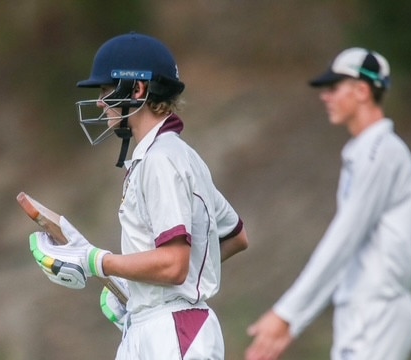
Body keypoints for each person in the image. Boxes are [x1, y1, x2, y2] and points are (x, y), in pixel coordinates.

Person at [28, 32, 249, 359]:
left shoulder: (161, 159)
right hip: (160, 325)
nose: (101, 102)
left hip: (174, 331)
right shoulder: (174, 155)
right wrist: (141, 288)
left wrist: (97, 262)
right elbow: (234, 236)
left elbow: (175, 265)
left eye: (105, 90)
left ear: (138, 89)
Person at [245, 48, 411, 360]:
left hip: (378, 314)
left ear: (362, 90)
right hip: (363, 314)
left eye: (334, 88)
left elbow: (345, 237)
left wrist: (287, 315)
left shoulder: (380, 152)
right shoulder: (364, 151)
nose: (325, 97)